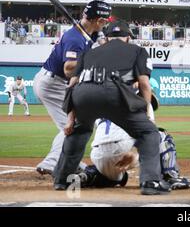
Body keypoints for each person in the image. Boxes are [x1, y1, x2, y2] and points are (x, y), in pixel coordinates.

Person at [54, 20, 171, 195]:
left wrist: (71, 119)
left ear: (106, 39)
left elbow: (72, 84)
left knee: (79, 130)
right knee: (149, 133)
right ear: (128, 38)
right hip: (113, 93)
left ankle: (62, 180)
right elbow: (144, 84)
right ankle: (150, 182)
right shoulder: (138, 51)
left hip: (82, 95)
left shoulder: (88, 52)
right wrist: (146, 112)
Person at [33, 1, 112, 175]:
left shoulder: (90, 32)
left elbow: (103, 43)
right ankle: (53, 162)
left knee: (77, 123)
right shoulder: (75, 38)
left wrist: (100, 39)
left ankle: (64, 161)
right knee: (74, 125)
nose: (106, 23)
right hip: (53, 84)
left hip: (55, 83)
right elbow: (69, 69)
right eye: (105, 20)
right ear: (98, 20)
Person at [75, 119, 190, 191]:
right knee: (161, 135)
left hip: (97, 154)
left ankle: (89, 175)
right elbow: (147, 136)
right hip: (122, 150)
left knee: (120, 178)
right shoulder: (133, 107)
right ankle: (171, 176)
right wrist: (135, 153)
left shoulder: (101, 108)